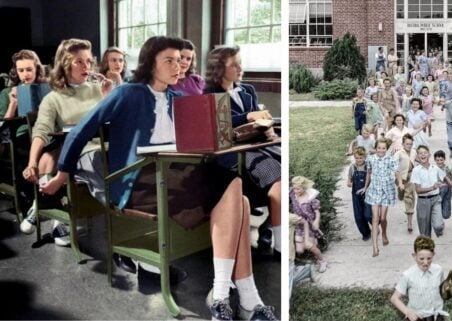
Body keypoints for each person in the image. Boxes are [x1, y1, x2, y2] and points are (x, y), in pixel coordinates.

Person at [40, 36, 276, 321]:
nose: (178, 66)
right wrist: (60, 176)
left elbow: (215, 118)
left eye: (180, 60)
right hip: (136, 180)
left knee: (239, 194)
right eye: (170, 60)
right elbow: (81, 131)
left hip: (175, 174)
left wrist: (250, 118)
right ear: (150, 63)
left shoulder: (178, 97)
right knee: (237, 193)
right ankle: (237, 298)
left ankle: (228, 296)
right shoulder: (127, 93)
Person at [21, 39, 114, 244]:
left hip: (108, 146)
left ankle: (132, 214)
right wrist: (32, 163)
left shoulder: (100, 89)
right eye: (79, 62)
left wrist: (110, 97)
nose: (86, 67)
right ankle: (124, 219)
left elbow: (117, 121)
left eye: (89, 61)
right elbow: (41, 131)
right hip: (80, 152)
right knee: (98, 160)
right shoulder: (53, 98)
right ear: (65, 64)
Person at [203, 46, 282, 257]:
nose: (240, 68)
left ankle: (269, 227)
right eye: (234, 64)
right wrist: (248, 117)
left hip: (259, 144)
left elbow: (258, 119)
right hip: (234, 153)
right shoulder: (209, 94)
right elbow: (216, 124)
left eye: (240, 62)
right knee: (277, 179)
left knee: (285, 165)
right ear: (219, 69)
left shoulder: (248, 90)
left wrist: (265, 125)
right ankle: (280, 245)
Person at [0, 50, 48, 227]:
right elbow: (2, 124)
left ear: (37, 69)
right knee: (26, 150)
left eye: (29, 69)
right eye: (21, 70)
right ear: (16, 71)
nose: (25, 75)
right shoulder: (7, 92)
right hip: (21, 135)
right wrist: (13, 104)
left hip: (46, 133)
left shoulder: (46, 89)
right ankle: (35, 201)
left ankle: (45, 198)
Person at [390, 235, 449, 321]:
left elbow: (442, 292)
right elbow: (394, 298)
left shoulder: (438, 270)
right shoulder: (408, 275)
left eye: (429, 258)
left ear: (433, 255)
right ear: (414, 256)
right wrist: (408, 312)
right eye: (421, 258)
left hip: (436, 315)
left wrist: (447, 290)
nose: (425, 262)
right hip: (417, 317)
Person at [364, 137, 404, 257]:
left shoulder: (390, 160)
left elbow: (397, 172)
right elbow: (369, 173)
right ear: (375, 148)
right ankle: (375, 247)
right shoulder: (371, 159)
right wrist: (366, 187)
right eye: (379, 148)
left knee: (382, 219)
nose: (381, 150)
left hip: (387, 190)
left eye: (383, 148)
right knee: (375, 219)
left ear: (386, 149)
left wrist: (400, 183)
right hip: (374, 190)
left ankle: (384, 233)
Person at [411, 145, 452, 238]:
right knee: (424, 233)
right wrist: (432, 187)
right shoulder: (416, 170)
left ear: (429, 155)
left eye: (425, 153)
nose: (423, 155)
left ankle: (438, 231)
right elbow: (418, 190)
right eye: (420, 153)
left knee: (438, 225)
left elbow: (446, 178)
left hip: (435, 199)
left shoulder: (435, 168)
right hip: (423, 202)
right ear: (417, 156)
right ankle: (427, 248)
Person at [290, 176, 327, 273]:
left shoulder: (311, 198)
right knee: (299, 250)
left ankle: (322, 261)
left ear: (304, 188)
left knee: (310, 246)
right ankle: (305, 259)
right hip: (299, 224)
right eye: (294, 188)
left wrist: (316, 222)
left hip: (310, 225)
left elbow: (317, 212)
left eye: (298, 189)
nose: (296, 190)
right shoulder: (292, 194)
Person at [347, 147, 372, 241]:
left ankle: (375, 224)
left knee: (368, 214)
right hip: (356, 195)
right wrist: (350, 183)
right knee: (358, 216)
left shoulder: (368, 167)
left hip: (367, 193)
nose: (358, 160)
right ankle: (366, 233)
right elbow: (349, 181)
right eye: (356, 158)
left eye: (361, 158)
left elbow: (371, 180)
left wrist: (365, 188)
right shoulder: (352, 167)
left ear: (365, 157)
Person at [394, 134, 417, 233]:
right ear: (403, 144)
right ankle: (400, 191)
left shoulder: (414, 152)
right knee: (401, 196)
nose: (409, 146)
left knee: (409, 198)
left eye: (411, 144)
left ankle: (409, 223)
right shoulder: (398, 153)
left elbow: (418, 160)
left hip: (411, 177)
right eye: (407, 144)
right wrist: (399, 182)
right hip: (400, 177)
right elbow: (396, 169)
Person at [434, 150, 452, 220]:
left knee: (446, 214)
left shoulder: (447, 168)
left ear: (444, 159)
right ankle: (438, 219)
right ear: (435, 160)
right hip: (438, 190)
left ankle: (443, 215)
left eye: (441, 160)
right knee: (438, 206)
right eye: (438, 160)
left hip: (448, 190)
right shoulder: (434, 169)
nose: (439, 162)